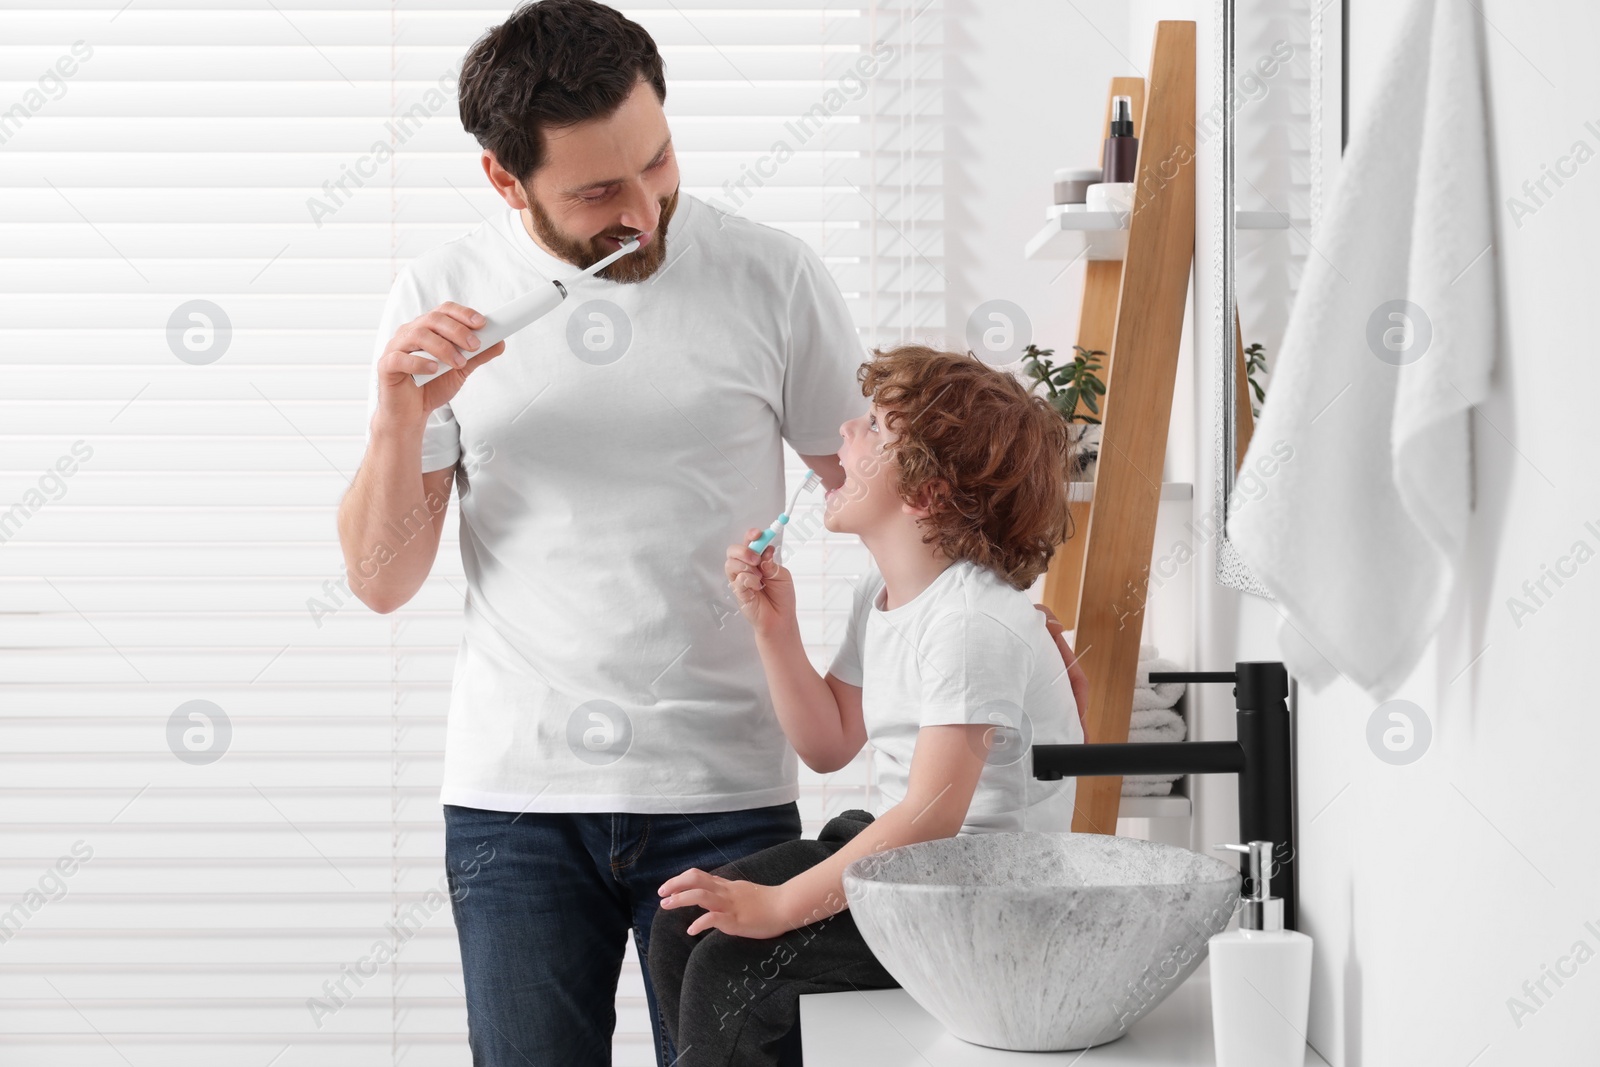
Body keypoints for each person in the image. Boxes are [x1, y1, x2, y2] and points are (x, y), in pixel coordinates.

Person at [648, 344, 1089, 1066]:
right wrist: (773, 630)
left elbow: (931, 816)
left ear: (927, 492)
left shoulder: (971, 620)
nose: (844, 437)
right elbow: (828, 743)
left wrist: (782, 906)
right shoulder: (879, 597)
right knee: (686, 927)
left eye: (875, 429)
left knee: (732, 965)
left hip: (978, 900)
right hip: (907, 865)